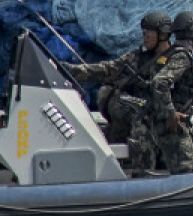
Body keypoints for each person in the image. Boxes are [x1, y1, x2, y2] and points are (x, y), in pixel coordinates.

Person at [62, 11, 172, 145]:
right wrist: (70, 70)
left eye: (149, 33)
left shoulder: (177, 59)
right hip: (139, 113)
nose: (145, 37)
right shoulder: (138, 57)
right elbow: (109, 69)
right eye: (144, 33)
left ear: (163, 34)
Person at [128, 11, 193, 174]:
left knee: (162, 167)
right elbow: (160, 83)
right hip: (167, 122)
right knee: (187, 168)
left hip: (154, 119)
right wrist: (170, 113)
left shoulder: (172, 54)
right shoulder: (182, 56)